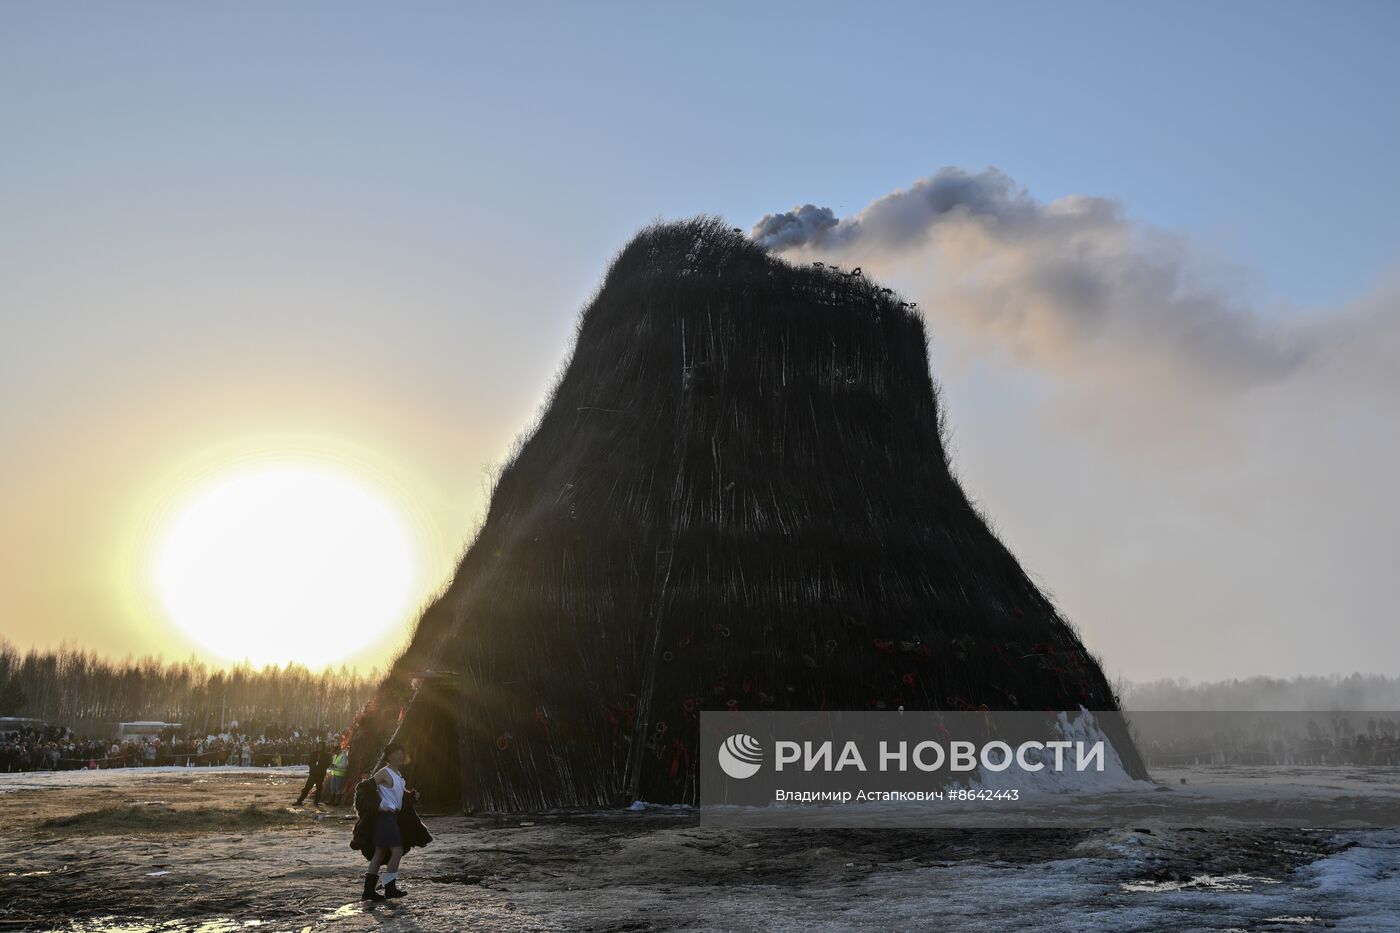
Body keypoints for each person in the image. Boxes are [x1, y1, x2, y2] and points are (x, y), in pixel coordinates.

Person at [364, 743, 410, 900]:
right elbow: (365, 788)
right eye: (397, 753)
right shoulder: (384, 772)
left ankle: (369, 891)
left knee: (380, 852)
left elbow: (399, 794)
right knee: (397, 851)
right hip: (385, 817)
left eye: (401, 753)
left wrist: (412, 795)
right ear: (389, 756)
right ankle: (389, 889)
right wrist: (379, 806)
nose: (401, 756)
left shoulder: (398, 774)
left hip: (392, 817)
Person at [295, 740, 330, 807]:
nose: (319, 748)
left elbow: (327, 764)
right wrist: (313, 767)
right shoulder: (313, 753)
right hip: (313, 774)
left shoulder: (326, 755)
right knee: (307, 788)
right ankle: (300, 800)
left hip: (320, 774)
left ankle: (316, 802)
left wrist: (320, 765)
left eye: (321, 746)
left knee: (319, 789)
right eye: (318, 746)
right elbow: (310, 763)